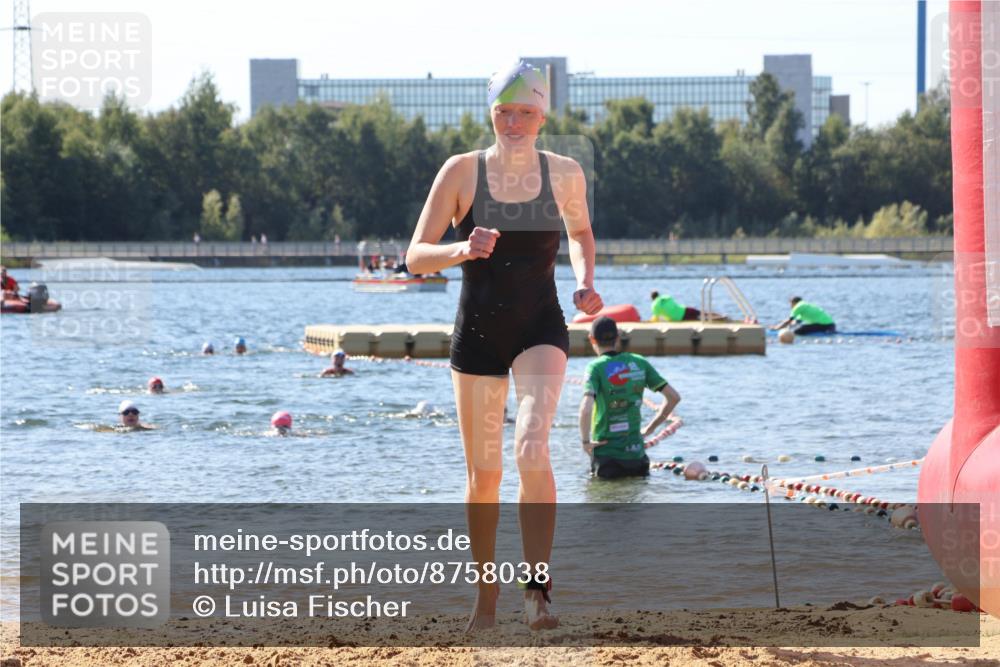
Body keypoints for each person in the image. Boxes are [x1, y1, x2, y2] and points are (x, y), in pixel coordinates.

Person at [406, 59, 603, 632]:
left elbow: (580, 232)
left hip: (540, 327)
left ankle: (537, 593)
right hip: (478, 336)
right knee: (484, 474)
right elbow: (416, 255)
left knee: (531, 448)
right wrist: (462, 248)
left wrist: (587, 280)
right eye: (504, 112)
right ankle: (485, 597)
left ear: (543, 116)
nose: (514, 122)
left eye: (526, 112)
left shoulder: (565, 172)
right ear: (491, 113)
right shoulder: (461, 172)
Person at [579, 317, 681, 479]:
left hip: (607, 457)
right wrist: (650, 429)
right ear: (617, 337)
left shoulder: (595, 367)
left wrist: (585, 442)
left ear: (592, 339)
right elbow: (673, 397)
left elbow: (586, 408)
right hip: (637, 457)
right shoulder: (639, 362)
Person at [649, 290, 724, 322]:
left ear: (652, 298)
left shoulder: (654, 306)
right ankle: (722, 317)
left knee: (700, 319)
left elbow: (656, 318)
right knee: (704, 313)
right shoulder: (666, 297)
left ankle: (718, 319)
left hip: (678, 318)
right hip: (684, 310)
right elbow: (673, 303)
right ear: (658, 294)